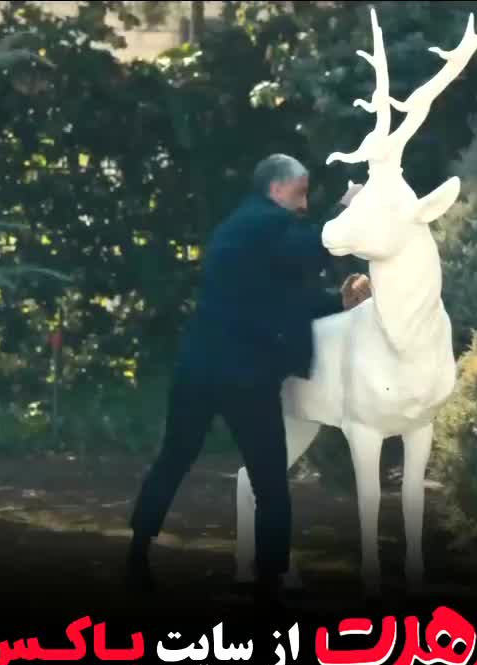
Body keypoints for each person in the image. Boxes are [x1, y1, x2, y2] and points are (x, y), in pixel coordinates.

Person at [126, 153, 371, 608]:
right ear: (275, 189)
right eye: (300, 192)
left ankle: (137, 552)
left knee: (174, 458)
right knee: (270, 481)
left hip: (197, 367)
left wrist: (338, 302)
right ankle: (270, 580)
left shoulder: (237, 229)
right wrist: (347, 207)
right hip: (246, 375)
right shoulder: (268, 224)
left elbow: (283, 301)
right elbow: (315, 246)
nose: (304, 204)